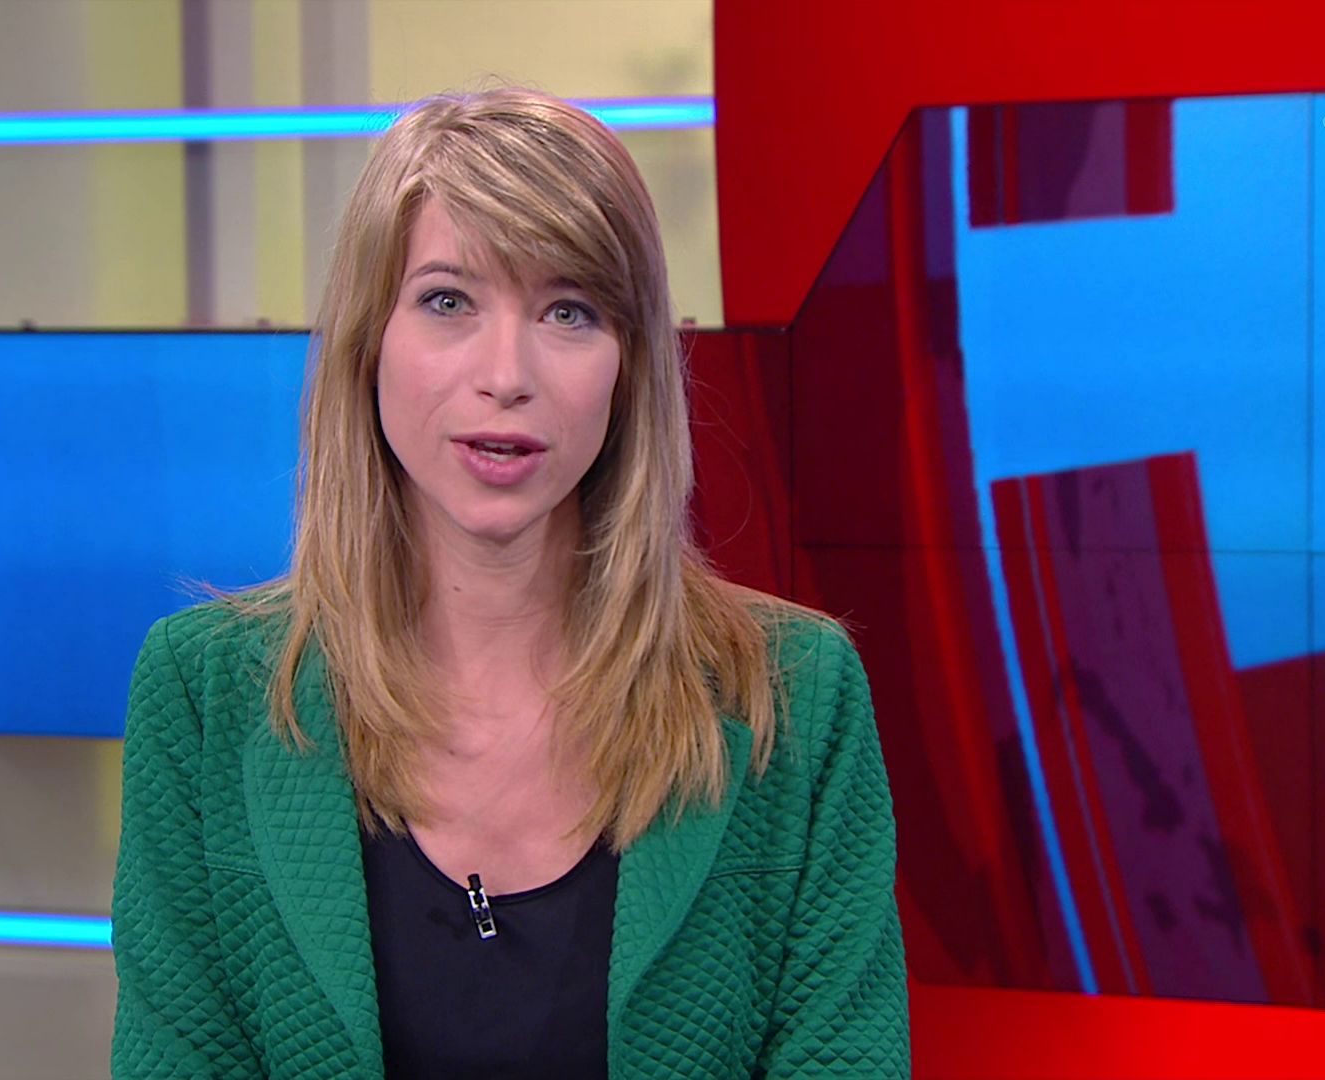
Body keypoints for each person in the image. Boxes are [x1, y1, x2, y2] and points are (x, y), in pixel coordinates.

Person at [109, 82, 909, 1079]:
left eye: (568, 311)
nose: (507, 373)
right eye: (448, 300)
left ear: (628, 369)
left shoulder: (793, 697)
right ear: (368, 341)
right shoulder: (208, 693)